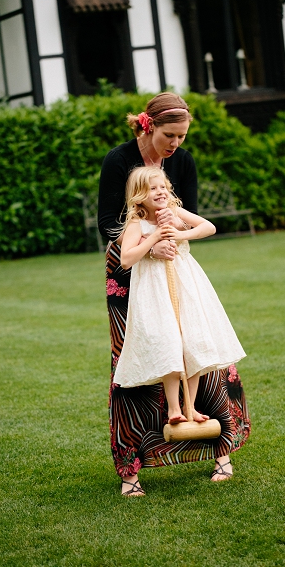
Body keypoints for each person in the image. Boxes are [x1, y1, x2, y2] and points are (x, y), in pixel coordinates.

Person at [98, 92, 250, 496]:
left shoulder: (182, 162)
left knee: (199, 347)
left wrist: (175, 240)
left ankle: (221, 450)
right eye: (170, 135)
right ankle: (132, 471)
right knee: (140, 359)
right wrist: (150, 245)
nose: (176, 144)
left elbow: (192, 217)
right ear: (150, 126)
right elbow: (109, 222)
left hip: (176, 267)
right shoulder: (119, 161)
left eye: (182, 136)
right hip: (130, 275)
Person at [113, 166, 246, 430]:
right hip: (155, 291)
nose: (160, 191)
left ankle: (191, 407)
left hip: (186, 285)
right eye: (153, 188)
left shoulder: (174, 214)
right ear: (139, 195)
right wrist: (152, 240)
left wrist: (180, 232)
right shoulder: (136, 224)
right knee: (169, 343)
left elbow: (208, 227)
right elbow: (126, 259)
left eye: (163, 186)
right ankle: (174, 408)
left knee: (193, 342)